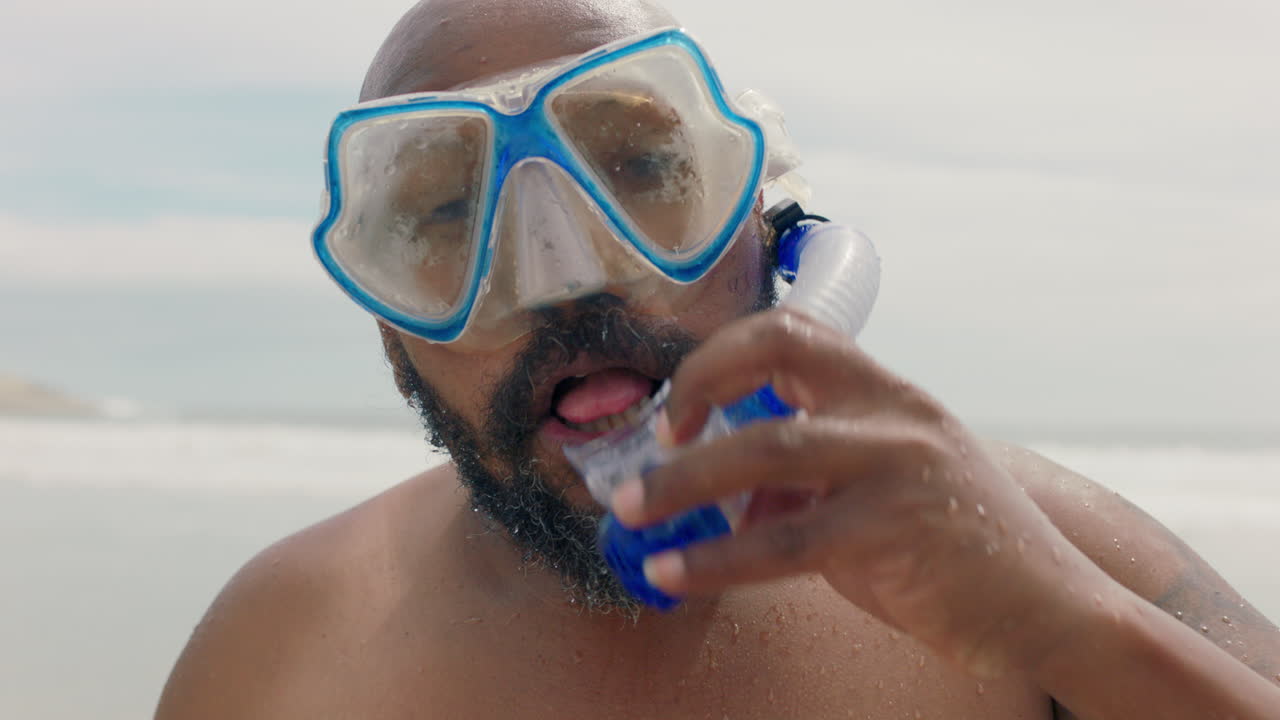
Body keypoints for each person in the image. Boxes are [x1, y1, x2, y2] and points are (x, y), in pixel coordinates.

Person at [156, 1, 1280, 717]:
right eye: (448, 217)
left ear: (773, 232)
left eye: (639, 166)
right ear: (394, 332)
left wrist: (1068, 629)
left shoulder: (1037, 544)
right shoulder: (290, 650)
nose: (560, 275)